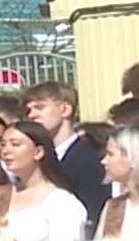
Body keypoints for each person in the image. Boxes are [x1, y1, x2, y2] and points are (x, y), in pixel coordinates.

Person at [24, 82, 110, 226]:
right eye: (28, 110)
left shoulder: (88, 158)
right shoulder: (35, 158)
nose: (32, 115)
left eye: (40, 107)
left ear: (65, 109)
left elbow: (94, 212)